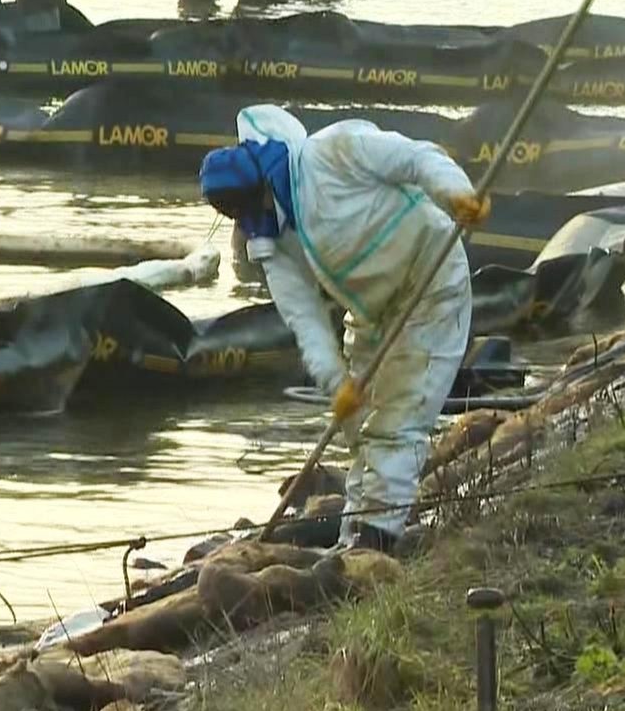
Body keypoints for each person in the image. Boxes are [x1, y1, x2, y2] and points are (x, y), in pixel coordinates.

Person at [199, 105, 489, 554]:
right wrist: (337, 384)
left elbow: (416, 157)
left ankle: (377, 543)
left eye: (248, 206)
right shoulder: (271, 243)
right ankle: (354, 536)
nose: (248, 218)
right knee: (363, 430)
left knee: (398, 422)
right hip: (372, 313)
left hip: (431, 282)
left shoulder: (331, 152)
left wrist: (455, 194)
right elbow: (306, 321)